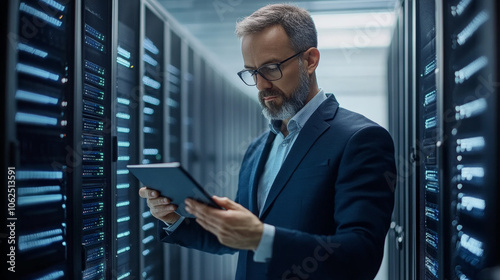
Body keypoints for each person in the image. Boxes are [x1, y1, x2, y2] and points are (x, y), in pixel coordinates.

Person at [139, 4, 396, 279]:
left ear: (310, 60)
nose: (261, 85)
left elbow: (361, 255)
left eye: (270, 68)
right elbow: (235, 237)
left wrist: (263, 238)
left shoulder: (361, 139)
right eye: (252, 72)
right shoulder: (257, 148)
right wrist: (174, 218)